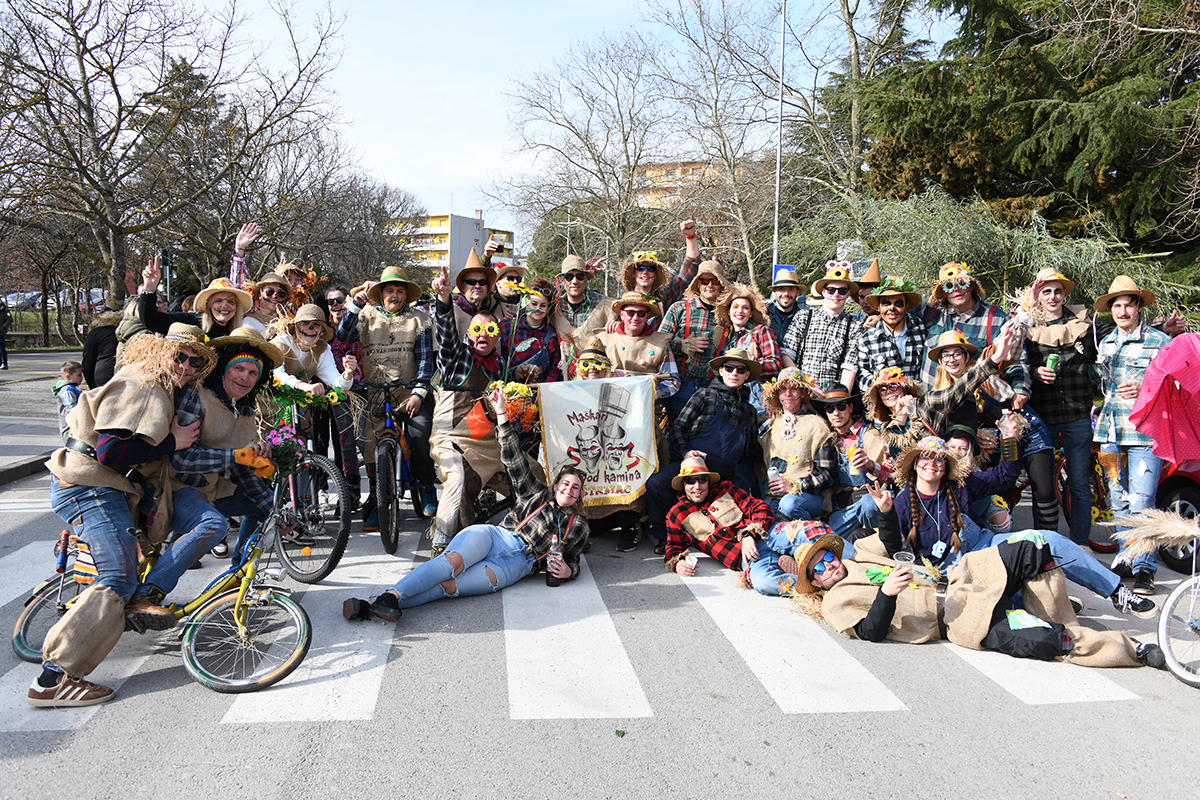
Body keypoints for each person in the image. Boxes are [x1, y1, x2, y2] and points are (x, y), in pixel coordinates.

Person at [31, 324, 210, 707]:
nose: (186, 365)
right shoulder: (145, 384)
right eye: (179, 356)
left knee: (122, 575)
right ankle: (53, 680)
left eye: (194, 361)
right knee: (119, 578)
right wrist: (171, 442)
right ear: (160, 353)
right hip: (89, 484)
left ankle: (59, 672)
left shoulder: (153, 384)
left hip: (97, 486)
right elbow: (111, 452)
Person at [343, 385, 589, 621]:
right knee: (451, 565)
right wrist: (502, 412)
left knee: (449, 586)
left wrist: (569, 572)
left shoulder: (578, 525)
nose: (569, 489)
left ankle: (372, 605)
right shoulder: (535, 493)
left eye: (575, 487)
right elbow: (514, 458)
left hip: (519, 566)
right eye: (565, 484)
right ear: (555, 485)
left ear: (579, 495)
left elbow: (574, 560)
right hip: (498, 537)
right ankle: (391, 595)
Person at [872, 432, 1156, 617]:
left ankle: (1118, 592)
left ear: (946, 466)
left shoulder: (961, 484)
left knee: (1046, 539)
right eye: (926, 458)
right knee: (994, 598)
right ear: (915, 464)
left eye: (939, 460)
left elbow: (1004, 477)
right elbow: (894, 547)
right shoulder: (899, 502)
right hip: (952, 569)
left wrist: (1008, 440)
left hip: (985, 545)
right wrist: (885, 514)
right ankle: (1050, 605)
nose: (932, 464)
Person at [788, 532, 1162, 670]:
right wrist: (886, 594)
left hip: (962, 581)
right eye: (818, 568)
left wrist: (885, 509)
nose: (828, 565)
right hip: (957, 621)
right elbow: (870, 632)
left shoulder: (858, 559)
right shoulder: (836, 601)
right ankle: (1133, 649)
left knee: (1030, 550)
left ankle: (1062, 617)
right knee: (1044, 640)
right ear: (815, 582)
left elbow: (886, 535)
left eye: (827, 556)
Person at [928, 328, 1060, 531]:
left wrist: (1023, 316)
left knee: (1044, 492)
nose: (951, 359)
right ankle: (1007, 548)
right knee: (1002, 493)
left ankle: (1049, 544)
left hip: (1027, 431)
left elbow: (1006, 352)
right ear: (939, 361)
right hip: (998, 440)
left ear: (966, 356)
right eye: (945, 354)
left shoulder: (984, 373)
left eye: (957, 353)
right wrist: (976, 438)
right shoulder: (941, 392)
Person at [169, 327, 282, 565]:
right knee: (213, 528)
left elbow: (242, 467)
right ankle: (154, 588)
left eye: (253, 373)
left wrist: (273, 507)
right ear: (223, 370)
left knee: (264, 508)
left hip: (209, 490)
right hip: (174, 491)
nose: (245, 378)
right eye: (238, 368)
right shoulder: (195, 396)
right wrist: (237, 456)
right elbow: (181, 459)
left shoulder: (244, 409)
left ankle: (239, 574)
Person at [1093, 275, 1173, 597]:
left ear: (1139, 307)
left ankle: (1145, 570)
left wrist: (1145, 387)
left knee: (1143, 503)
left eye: (1129, 304)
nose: (1123, 311)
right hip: (1109, 436)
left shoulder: (1159, 342)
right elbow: (1101, 384)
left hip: (1144, 437)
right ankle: (1126, 558)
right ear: (1111, 310)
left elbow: (1174, 386)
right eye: (1117, 306)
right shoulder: (1106, 343)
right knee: (1117, 498)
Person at [338, 267, 436, 524]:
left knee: (420, 434)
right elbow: (342, 336)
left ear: (406, 294)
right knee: (370, 443)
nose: (395, 295)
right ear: (381, 294)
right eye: (389, 290)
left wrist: (419, 393)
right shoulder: (366, 316)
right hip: (376, 392)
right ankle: (377, 500)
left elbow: (426, 360)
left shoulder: (420, 319)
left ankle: (426, 485)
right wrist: (355, 304)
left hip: (411, 391)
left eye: (400, 291)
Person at [646, 347, 762, 554]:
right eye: (729, 368)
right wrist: (686, 453)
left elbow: (751, 452)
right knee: (656, 484)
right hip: (694, 469)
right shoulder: (705, 395)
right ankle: (664, 537)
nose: (734, 373)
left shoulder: (750, 411)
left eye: (740, 370)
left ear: (746, 375)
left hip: (723, 478)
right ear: (721, 371)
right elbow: (679, 426)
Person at [428, 264, 508, 554]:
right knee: (458, 477)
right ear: (470, 334)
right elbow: (446, 333)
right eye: (477, 329)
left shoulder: (499, 365)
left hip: (487, 442)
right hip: (451, 440)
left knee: (530, 470)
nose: (483, 335)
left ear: (497, 335)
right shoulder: (457, 357)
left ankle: (537, 528)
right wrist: (444, 299)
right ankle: (442, 540)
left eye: (490, 330)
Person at [916, 262, 1032, 406]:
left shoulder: (995, 318)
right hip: (930, 404)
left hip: (973, 405)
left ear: (971, 286)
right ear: (944, 292)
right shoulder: (930, 310)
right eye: (949, 286)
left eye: (962, 283)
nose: (956, 289)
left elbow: (1017, 357)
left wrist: (1020, 389)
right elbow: (901, 318)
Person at [812, 383, 891, 539]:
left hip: (870, 500)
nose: (836, 413)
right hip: (842, 507)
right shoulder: (824, 436)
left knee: (868, 505)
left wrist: (870, 464)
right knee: (824, 540)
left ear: (851, 408)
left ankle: (876, 545)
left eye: (841, 406)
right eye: (830, 409)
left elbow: (892, 475)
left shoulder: (868, 434)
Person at [758, 368, 834, 521]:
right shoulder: (769, 424)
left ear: (803, 393)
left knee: (789, 505)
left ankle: (816, 533)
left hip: (809, 496)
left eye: (794, 388)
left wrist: (795, 485)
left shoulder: (817, 425)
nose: (788, 394)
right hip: (774, 496)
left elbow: (826, 475)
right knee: (762, 515)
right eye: (783, 389)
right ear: (777, 394)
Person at [658, 259, 730, 419]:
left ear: (721, 285)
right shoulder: (679, 309)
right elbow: (658, 344)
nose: (709, 285)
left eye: (715, 281)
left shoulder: (728, 315)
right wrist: (683, 345)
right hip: (681, 386)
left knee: (706, 437)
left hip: (714, 387)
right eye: (704, 280)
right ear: (698, 284)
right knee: (677, 436)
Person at [780, 261, 862, 390]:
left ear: (847, 294)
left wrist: (840, 397)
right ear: (823, 292)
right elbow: (787, 354)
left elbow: (850, 367)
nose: (836, 295)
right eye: (831, 290)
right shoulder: (803, 317)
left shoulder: (854, 326)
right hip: (801, 391)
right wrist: (803, 385)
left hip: (832, 395)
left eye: (842, 291)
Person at [846, 277, 927, 391]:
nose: (892, 308)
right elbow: (861, 374)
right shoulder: (867, 338)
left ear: (906, 306)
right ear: (878, 307)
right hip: (883, 400)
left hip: (915, 400)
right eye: (886, 303)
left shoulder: (919, 328)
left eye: (898, 303)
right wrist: (880, 385)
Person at [139, 258, 251, 340]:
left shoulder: (240, 333)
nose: (225, 305)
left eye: (231, 301)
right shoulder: (192, 322)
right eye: (218, 300)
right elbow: (152, 321)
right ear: (209, 304)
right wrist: (149, 290)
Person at [271, 303, 355, 397]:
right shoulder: (281, 343)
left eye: (316, 324)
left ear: (322, 331)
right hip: (271, 404)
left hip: (301, 406)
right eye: (305, 323)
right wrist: (301, 385)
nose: (310, 328)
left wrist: (347, 374)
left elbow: (336, 384)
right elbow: (277, 375)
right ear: (296, 327)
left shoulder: (323, 349)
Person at [944, 426, 1013, 534]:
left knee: (1002, 521)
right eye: (952, 447)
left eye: (962, 448)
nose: (956, 452)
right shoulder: (932, 471)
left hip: (973, 514)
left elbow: (1003, 476)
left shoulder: (972, 478)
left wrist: (1009, 440)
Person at [550, 253, 610, 378]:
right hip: (560, 377)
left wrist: (616, 324)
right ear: (562, 280)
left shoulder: (605, 305)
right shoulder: (552, 307)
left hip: (593, 376)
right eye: (569, 277)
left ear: (586, 279)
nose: (574, 281)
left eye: (580, 276)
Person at [716, 283, 783, 385]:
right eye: (735, 307)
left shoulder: (761, 331)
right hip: (734, 394)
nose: (740, 311)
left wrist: (747, 365)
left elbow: (775, 365)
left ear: (751, 313)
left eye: (745, 308)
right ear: (729, 311)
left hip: (756, 395)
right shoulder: (727, 336)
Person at [498, 277, 562, 383]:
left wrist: (545, 391)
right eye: (534, 304)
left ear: (548, 308)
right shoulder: (507, 328)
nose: (538, 308)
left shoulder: (551, 335)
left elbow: (554, 369)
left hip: (539, 393)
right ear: (526, 303)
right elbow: (495, 363)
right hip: (508, 390)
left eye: (543, 305)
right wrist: (514, 372)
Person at [81, 307, 122, 388]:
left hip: (103, 375)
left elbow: (88, 362)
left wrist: (92, 385)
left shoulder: (95, 333)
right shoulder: (124, 330)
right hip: (123, 375)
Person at [766, 268, 807, 344]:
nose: (786, 293)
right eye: (781, 289)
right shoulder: (764, 315)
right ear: (775, 291)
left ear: (797, 292)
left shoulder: (804, 319)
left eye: (791, 289)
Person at [52, 361, 85, 443]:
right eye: (79, 375)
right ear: (68, 376)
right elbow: (70, 408)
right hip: (70, 429)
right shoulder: (67, 390)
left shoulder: (73, 388)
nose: (82, 378)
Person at [0, 296, 10, 369]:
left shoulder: (4, 309)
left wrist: (3, 327)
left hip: (1, 332)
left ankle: (4, 363)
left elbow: (10, 319)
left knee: (2, 348)